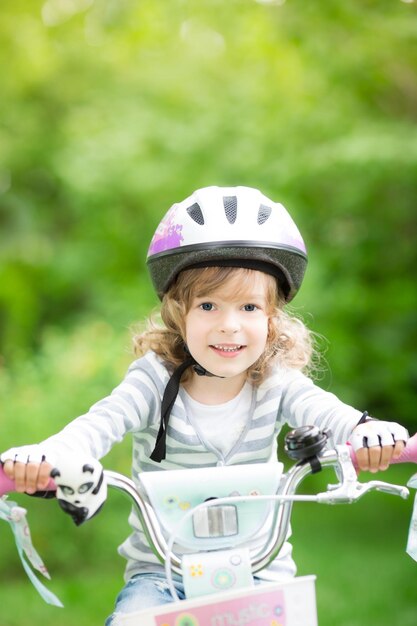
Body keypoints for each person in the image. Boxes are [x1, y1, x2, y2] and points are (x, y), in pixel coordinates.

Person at [0, 186, 409, 623]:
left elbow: (329, 412)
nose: (229, 326)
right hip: (162, 574)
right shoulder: (153, 382)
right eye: (209, 305)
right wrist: (53, 456)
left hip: (261, 573)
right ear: (180, 313)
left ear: (271, 322)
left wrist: (366, 432)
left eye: (249, 306)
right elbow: (98, 424)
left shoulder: (276, 383)